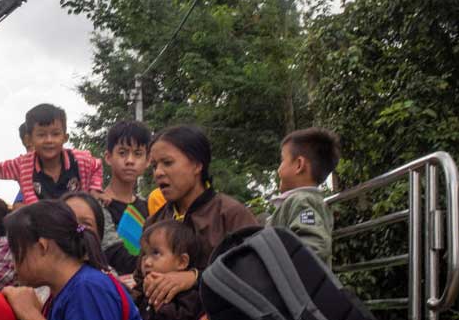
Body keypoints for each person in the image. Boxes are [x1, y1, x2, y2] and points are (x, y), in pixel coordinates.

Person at [1, 200, 150, 320]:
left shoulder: (89, 287)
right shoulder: (68, 288)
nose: (12, 263)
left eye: (15, 251)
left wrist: (30, 314)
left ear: (42, 247)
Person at [140, 125, 257, 309]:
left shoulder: (231, 214)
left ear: (197, 165)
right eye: (154, 166)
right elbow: (139, 279)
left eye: (167, 163)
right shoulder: (154, 222)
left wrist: (195, 277)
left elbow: (254, 273)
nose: (158, 173)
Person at [0, 104, 103, 205]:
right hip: (42, 228)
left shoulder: (79, 159)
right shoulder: (23, 166)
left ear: (65, 137)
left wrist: (95, 189)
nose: (49, 140)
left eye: (55, 134)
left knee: (98, 216)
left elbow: (96, 165)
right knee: (17, 221)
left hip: (77, 225)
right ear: (29, 140)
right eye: (41, 135)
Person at [268, 127, 340, 266]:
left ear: (299, 165)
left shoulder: (302, 201)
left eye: (282, 160)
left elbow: (314, 246)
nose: (278, 169)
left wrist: (279, 269)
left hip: (292, 280)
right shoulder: (300, 201)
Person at [135, 220, 203, 320]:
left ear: (182, 262)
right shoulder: (142, 288)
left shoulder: (189, 295)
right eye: (144, 255)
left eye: (156, 253)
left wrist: (158, 301)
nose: (147, 262)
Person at [99, 121, 152, 275]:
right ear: (108, 157)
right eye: (122, 153)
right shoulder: (98, 205)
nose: (130, 160)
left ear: (148, 160)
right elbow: (113, 254)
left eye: (138, 154)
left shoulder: (149, 206)